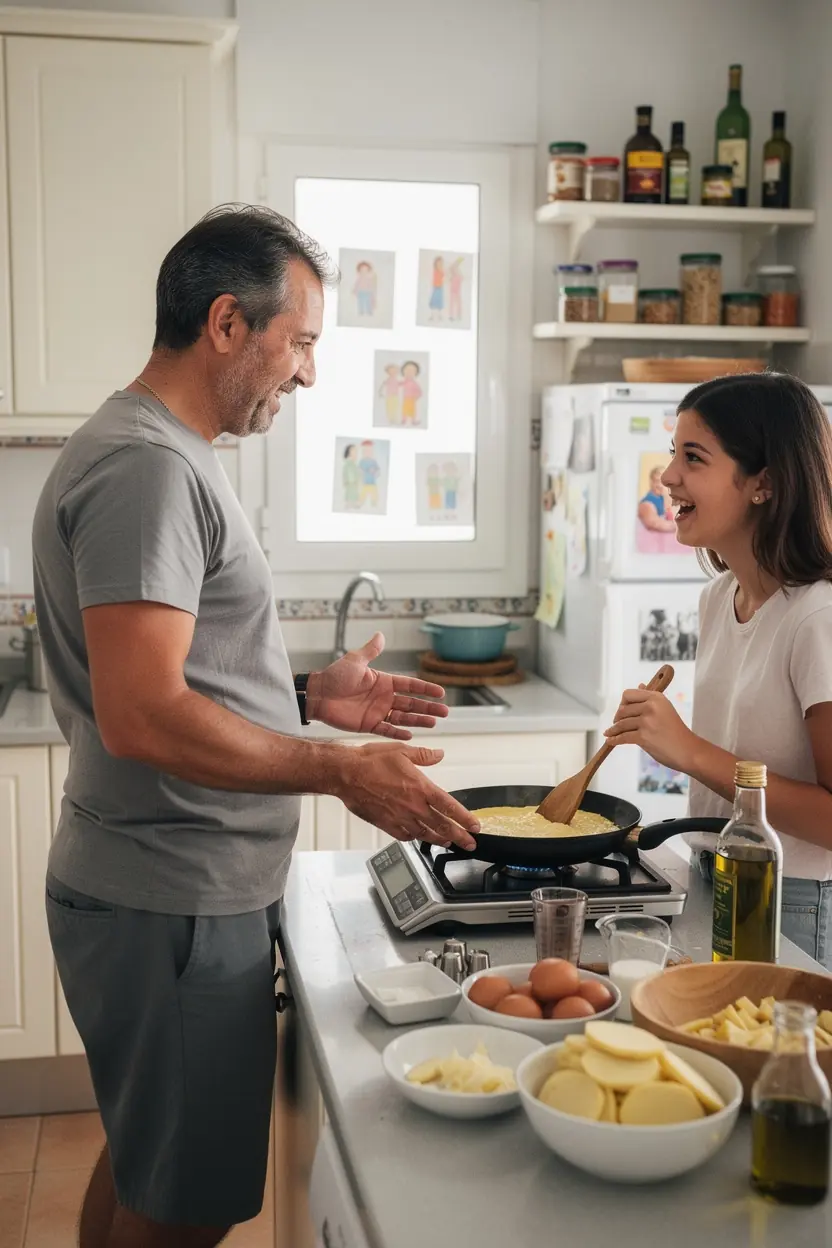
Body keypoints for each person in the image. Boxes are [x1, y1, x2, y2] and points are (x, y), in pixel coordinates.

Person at [32, 204, 479, 1248]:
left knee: (148, 1165)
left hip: (167, 891)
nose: (309, 374)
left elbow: (171, 682)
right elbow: (143, 715)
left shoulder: (164, 452)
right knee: (184, 1209)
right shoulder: (150, 468)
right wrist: (337, 771)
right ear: (228, 324)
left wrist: (304, 698)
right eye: (305, 341)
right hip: (171, 900)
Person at [606, 372, 832, 966]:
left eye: (693, 457)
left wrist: (686, 749)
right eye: (672, 452)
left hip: (796, 899)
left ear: (765, 483)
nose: (667, 475)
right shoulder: (720, 595)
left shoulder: (818, 617)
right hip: (713, 873)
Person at [636, 464, 680, 555]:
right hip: (649, 548)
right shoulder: (647, 503)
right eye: (656, 481)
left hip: (664, 548)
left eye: (663, 482)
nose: (660, 485)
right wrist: (679, 527)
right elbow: (654, 523)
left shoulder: (665, 499)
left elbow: (672, 515)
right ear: (651, 482)